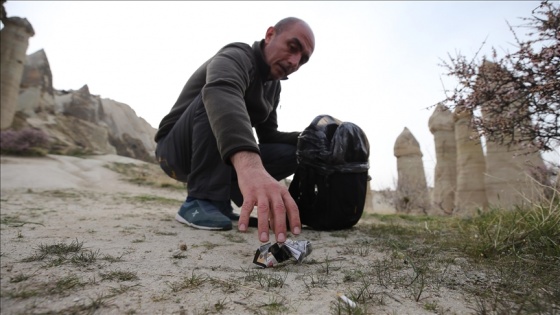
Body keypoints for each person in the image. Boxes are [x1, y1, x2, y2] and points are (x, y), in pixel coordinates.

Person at [154, 17, 315, 244]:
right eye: (292, 47)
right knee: (216, 98)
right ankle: (199, 200)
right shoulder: (237, 55)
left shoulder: (273, 87)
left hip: (215, 156)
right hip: (174, 152)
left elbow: (269, 137)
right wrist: (250, 166)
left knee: (296, 152)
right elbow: (222, 91)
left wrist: (310, 139)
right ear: (270, 35)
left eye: (303, 60)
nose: (295, 62)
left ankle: (219, 201)